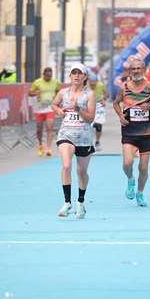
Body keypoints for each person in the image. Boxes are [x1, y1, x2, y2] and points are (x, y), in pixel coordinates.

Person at [113, 58, 150, 207]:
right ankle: (130, 179)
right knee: (127, 163)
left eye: (139, 68)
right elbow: (115, 102)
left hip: (147, 132)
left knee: (143, 168)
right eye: (133, 69)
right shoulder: (124, 87)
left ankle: (140, 193)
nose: (136, 71)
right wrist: (120, 115)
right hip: (129, 131)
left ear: (144, 70)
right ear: (129, 71)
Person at [51, 63, 96, 219]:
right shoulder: (63, 92)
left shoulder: (89, 94)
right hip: (66, 135)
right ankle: (67, 203)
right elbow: (53, 104)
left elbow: (90, 118)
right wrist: (58, 110)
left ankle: (80, 203)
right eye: (74, 73)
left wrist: (77, 108)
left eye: (80, 73)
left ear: (85, 76)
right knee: (66, 165)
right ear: (70, 76)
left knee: (81, 172)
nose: (76, 75)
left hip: (84, 138)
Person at [29, 67, 61, 156]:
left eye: (50, 76)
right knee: (39, 129)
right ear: (43, 74)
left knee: (49, 126)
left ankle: (48, 148)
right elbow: (29, 92)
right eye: (47, 76)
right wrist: (35, 93)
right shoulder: (37, 82)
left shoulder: (55, 82)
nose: (49, 77)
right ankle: (40, 145)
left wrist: (57, 99)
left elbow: (58, 91)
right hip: (39, 108)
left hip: (50, 108)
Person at [88, 73, 107, 151]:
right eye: (91, 81)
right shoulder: (85, 86)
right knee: (88, 126)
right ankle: (89, 143)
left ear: (96, 81)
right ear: (89, 81)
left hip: (98, 105)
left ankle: (97, 142)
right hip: (89, 105)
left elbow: (105, 92)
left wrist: (104, 99)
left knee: (99, 125)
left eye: (94, 81)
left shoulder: (100, 85)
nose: (92, 83)